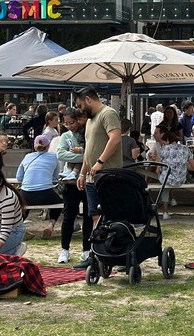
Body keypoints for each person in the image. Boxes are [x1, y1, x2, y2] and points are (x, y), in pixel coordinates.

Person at [75, 86, 123, 269]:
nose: (80, 110)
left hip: (107, 176)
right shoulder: (90, 120)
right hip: (91, 178)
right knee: (95, 217)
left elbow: (115, 139)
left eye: (80, 105)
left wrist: (100, 162)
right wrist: (82, 172)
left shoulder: (108, 113)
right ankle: (97, 254)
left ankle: (110, 253)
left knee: (109, 217)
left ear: (88, 99)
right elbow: (89, 149)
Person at [56, 107, 93, 264]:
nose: (69, 126)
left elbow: (94, 153)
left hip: (88, 180)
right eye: (66, 123)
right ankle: (65, 249)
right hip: (71, 182)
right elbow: (61, 154)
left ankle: (86, 249)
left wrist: (82, 156)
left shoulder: (88, 133)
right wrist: (84, 156)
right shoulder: (65, 136)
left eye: (71, 122)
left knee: (88, 216)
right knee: (68, 216)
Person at [16, 135, 61, 239]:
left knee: (23, 204)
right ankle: (50, 225)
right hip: (45, 193)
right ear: (48, 146)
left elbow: (19, 177)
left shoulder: (27, 157)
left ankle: (20, 228)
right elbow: (56, 177)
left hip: (26, 193)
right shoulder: (53, 156)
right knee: (59, 203)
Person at [152, 129, 194, 219]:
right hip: (181, 179)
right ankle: (172, 199)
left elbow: (158, 170)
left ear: (168, 140)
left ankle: (165, 212)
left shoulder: (163, 150)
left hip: (166, 179)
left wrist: (157, 161)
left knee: (164, 183)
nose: (164, 143)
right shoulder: (185, 148)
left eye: (164, 141)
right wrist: (182, 165)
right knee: (167, 180)